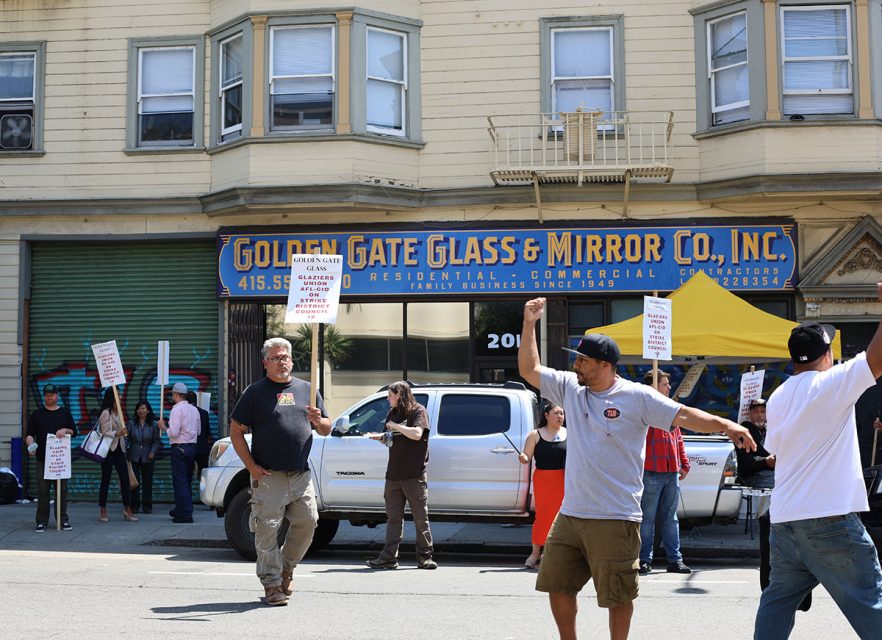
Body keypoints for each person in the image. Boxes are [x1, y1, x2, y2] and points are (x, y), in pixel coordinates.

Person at [518, 297, 756, 640]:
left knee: (618, 595)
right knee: (557, 585)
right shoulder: (571, 389)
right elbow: (529, 370)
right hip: (571, 514)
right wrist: (529, 324)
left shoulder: (636, 397)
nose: (577, 366)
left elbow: (684, 415)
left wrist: (727, 426)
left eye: (583, 360)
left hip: (616, 516)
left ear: (604, 365)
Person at [754, 307, 882, 640]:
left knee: (778, 600)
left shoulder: (778, 396)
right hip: (829, 518)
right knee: (870, 601)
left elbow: (777, 451)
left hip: (786, 520)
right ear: (826, 355)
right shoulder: (831, 383)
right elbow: (876, 360)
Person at [229, 337, 331, 606]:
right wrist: (251, 466)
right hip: (268, 477)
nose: (282, 361)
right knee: (267, 531)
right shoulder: (254, 392)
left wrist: (319, 420)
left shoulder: (307, 390)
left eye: (285, 356)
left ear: (292, 360)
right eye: (275, 358)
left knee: (308, 522)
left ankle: (287, 569)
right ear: (265, 363)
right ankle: (272, 585)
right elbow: (236, 432)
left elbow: (326, 428)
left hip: (300, 475)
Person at [738, 397, 813, 612]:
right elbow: (745, 466)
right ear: (750, 414)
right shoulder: (745, 431)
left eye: (764, 411)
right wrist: (766, 462)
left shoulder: (775, 430)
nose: (761, 415)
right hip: (765, 481)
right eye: (757, 411)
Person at [365, 381, 437, 571]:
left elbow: (416, 434)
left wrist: (396, 426)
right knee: (393, 518)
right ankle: (389, 558)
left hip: (414, 475)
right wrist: (379, 438)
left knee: (421, 518)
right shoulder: (392, 413)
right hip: (393, 475)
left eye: (390, 395)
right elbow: (390, 439)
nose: (388, 399)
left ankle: (425, 557)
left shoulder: (418, 411)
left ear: (400, 394)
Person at [638, 369, 691, 575]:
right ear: (653, 386)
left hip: (671, 472)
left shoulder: (670, 409)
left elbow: (678, 438)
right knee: (648, 518)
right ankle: (644, 559)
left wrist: (683, 463)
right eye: (665, 383)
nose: (669, 387)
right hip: (651, 471)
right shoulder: (644, 409)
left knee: (670, 518)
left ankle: (674, 560)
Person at [518, 402, 567, 570]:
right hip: (543, 480)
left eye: (562, 413)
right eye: (556, 413)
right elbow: (527, 454)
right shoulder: (535, 434)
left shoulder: (569, 434)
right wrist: (523, 457)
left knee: (560, 518)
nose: (560, 416)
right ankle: (534, 553)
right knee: (543, 516)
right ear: (546, 415)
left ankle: (551, 553)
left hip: (564, 480)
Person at [25, 383, 76, 532]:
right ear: (44, 396)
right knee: (43, 491)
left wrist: (65, 429)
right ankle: (41, 521)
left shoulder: (65, 413)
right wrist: (30, 445)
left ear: (57, 395)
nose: (49, 397)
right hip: (42, 459)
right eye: (47, 395)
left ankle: (62, 520)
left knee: (62, 491)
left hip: (61, 459)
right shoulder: (37, 414)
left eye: (52, 395)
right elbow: (29, 435)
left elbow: (74, 431)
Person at [158, 382, 201, 523]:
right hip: (192, 448)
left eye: (172, 394)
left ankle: (186, 513)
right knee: (186, 481)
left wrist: (164, 427)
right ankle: (181, 509)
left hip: (180, 448)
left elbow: (174, 433)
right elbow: (199, 431)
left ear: (176, 394)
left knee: (180, 482)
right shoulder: (194, 410)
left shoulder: (176, 410)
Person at [96, 388, 138, 523]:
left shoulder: (118, 413)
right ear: (111, 398)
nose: (120, 397)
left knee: (125, 479)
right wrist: (119, 433)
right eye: (118, 395)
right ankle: (103, 508)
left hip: (119, 450)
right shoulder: (105, 413)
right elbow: (105, 431)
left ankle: (127, 508)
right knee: (106, 480)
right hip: (108, 450)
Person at [127, 399, 161, 514]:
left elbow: (156, 441)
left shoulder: (153, 425)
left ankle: (147, 505)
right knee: (134, 482)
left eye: (143, 408)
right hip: (134, 455)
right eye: (139, 408)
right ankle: (134, 505)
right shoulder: (131, 423)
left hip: (148, 456)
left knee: (147, 482)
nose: (140, 411)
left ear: (148, 411)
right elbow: (127, 439)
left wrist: (153, 451)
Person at [188, 390, 213, 498]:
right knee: (204, 475)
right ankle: (208, 499)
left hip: (189, 447)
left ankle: (187, 499)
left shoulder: (185, 413)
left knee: (187, 475)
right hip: (202, 448)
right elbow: (207, 432)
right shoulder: (204, 413)